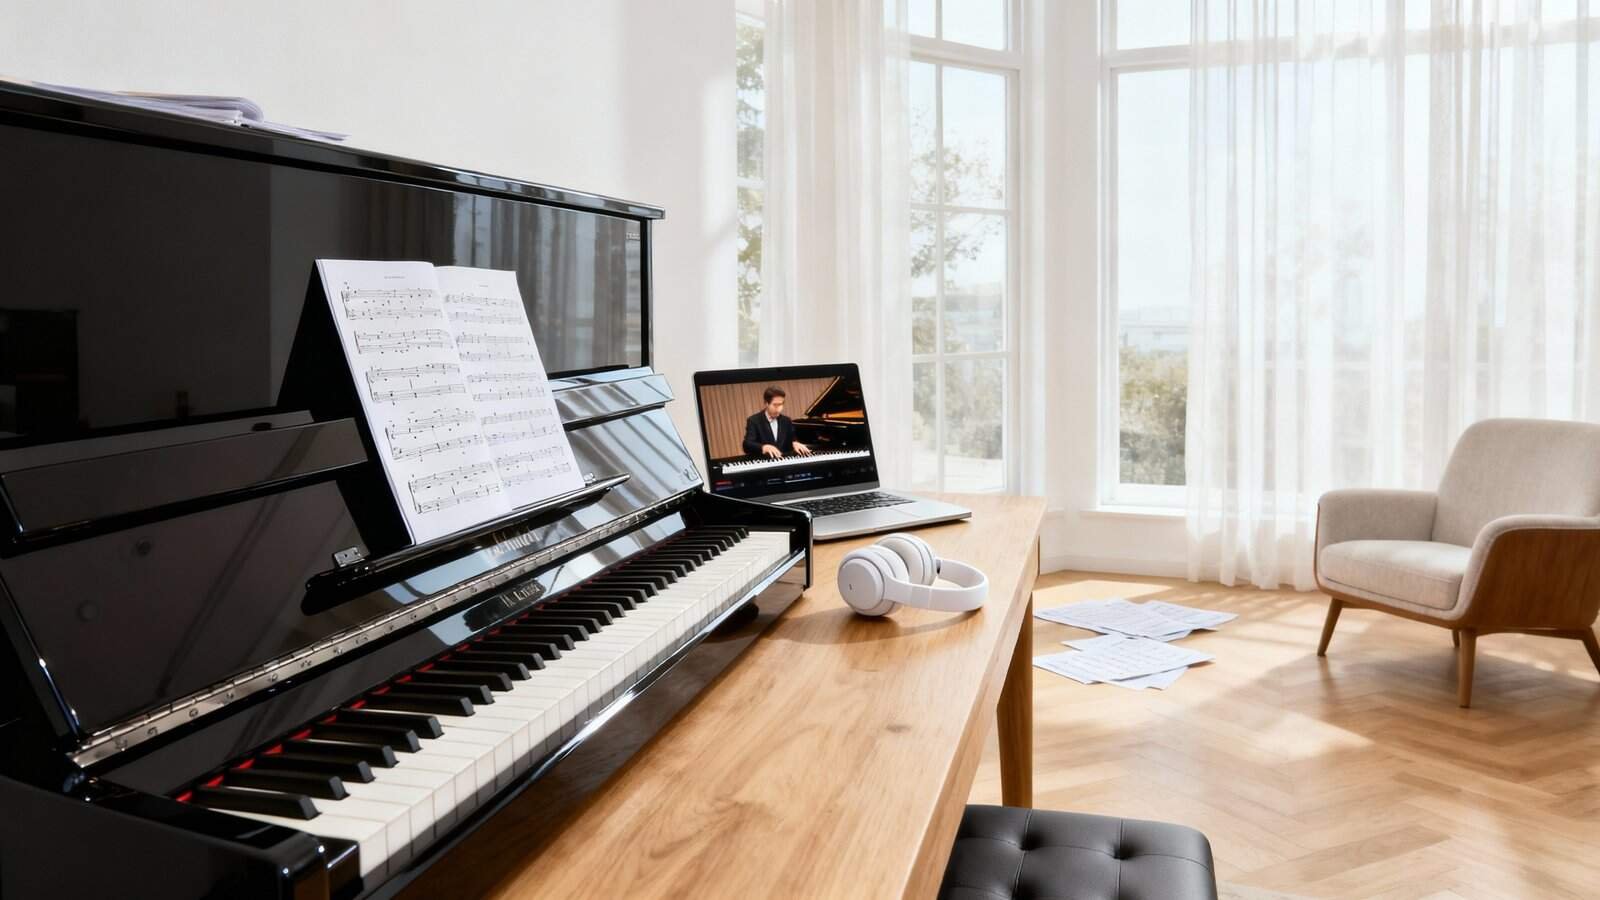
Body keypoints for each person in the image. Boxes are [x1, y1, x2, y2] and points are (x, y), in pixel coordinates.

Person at [742, 385, 813, 459]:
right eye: (775, 405)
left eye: (781, 404)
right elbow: (747, 445)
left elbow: (792, 440)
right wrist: (764, 447)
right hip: (765, 463)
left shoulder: (786, 421)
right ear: (766, 403)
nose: (779, 409)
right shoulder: (754, 421)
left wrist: (794, 443)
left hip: (784, 462)